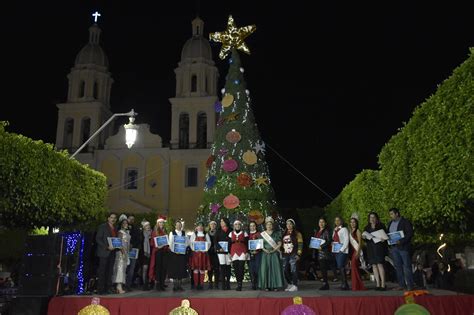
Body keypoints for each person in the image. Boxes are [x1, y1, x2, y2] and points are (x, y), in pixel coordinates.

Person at [387, 208, 414, 291]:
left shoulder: (405, 222)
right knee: (398, 267)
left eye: (392, 214)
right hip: (394, 247)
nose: (390, 216)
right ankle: (402, 285)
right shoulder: (390, 223)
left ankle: (410, 285)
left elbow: (410, 233)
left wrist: (401, 241)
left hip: (403, 247)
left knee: (407, 267)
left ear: (397, 214)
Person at [258, 216, 285, 291]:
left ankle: (275, 285)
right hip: (265, 253)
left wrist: (274, 250)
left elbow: (279, 243)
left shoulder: (276, 233)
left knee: (274, 269)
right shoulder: (262, 234)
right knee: (266, 269)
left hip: (274, 253)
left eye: (270, 224)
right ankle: (267, 286)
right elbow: (260, 245)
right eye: (267, 224)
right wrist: (265, 250)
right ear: (265, 225)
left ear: (272, 225)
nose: (269, 226)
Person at [363, 212, 388, 290]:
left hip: (379, 248)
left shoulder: (381, 226)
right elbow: (366, 239)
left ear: (376, 218)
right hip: (371, 248)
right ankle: (378, 284)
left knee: (380, 265)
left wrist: (384, 239)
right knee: (374, 266)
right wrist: (364, 237)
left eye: (373, 217)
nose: (372, 219)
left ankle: (383, 284)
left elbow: (386, 237)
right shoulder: (366, 227)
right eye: (371, 217)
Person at [95, 212, 118, 295]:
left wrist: (117, 245)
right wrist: (107, 247)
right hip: (104, 252)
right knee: (102, 271)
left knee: (110, 271)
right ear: (108, 218)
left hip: (112, 252)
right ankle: (100, 290)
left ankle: (108, 288)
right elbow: (98, 239)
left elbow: (115, 240)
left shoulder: (115, 228)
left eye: (115, 218)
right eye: (112, 217)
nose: (113, 219)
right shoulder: (102, 227)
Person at [282, 218, 303, 292]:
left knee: (293, 270)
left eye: (290, 224)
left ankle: (295, 285)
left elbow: (300, 244)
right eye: (287, 224)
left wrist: (298, 254)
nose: (289, 225)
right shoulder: (284, 233)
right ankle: (290, 283)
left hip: (293, 253)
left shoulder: (297, 233)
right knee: (285, 269)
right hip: (285, 254)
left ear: (293, 225)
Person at [189, 221, 211, 290]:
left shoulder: (206, 234)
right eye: (199, 226)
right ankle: (196, 284)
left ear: (203, 227)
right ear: (197, 227)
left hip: (203, 254)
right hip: (195, 254)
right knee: (195, 269)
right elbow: (190, 243)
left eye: (201, 226)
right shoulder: (194, 234)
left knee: (202, 269)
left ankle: (201, 284)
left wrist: (205, 249)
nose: (200, 227)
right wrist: (194, 249)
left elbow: (209, 243)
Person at [112, 215, 131, 294]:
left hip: (126, 252)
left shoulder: (127, 232)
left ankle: (119, 287)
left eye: (126, 223)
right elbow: (119, 243)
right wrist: (123, 252)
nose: (126, 224)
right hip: (121, 252)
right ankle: (118, 287)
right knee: (120, 269)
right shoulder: (120, 232)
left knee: (123, 269)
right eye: (124, 223)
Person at [149, 216, 169, 291]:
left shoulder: (165, 231)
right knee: (158, 268)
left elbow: (166, 242)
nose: (161, 224)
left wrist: (166, 245)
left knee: (164, 268)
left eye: (162, 222)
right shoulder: (155, 232)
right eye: (160, 222)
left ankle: (162, 284)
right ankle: (158, 285)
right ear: (157, 223)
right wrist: (158, 246)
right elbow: (152, 243)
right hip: (158, 252)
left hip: (164, 251)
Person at [168, 220, 188, 291]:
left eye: (180, 225)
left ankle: (179, 286)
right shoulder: (171, 233)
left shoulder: (184, 233)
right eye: (177, 225)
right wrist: (175, 251)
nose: (178, 226)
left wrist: (181, 250)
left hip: (181, 254)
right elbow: (170, 243)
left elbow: (186, 243)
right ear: (175, 226)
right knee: (174, 270)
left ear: (181, 226)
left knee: (181, 269)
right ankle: (175, 286)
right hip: (174, 254)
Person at [229, 219, 249, 291]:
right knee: (236, 268)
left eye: (238, 224)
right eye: (236, 224)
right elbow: (229, 244)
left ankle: (240, 284)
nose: (237, 225)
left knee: (241, 268)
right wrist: (229, 253)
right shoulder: (231, 233)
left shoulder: (244, 233)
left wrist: (247, 252)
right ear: (234, 226)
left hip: (242, 251)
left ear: (240, 226)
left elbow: (247, 243)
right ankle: (238, 283)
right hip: (234, 251)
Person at [314, 217, 331, 290]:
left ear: (325, 223)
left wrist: (322, 246)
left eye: (323, 222)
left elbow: (329, 241)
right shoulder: (317, 231)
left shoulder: (326, 231)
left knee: (324, 269)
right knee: (322, 269)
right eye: (320, 222)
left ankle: (325, 284)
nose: (321, 223)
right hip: (318, 253)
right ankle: (325, 283)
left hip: (324, 253)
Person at [332, 216, 350, 290]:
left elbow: (346, 240)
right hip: (336, 250)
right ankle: (343, 283)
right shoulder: (335, 230)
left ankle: (345, 284)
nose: (337, 222)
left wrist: (342, 249)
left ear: (341, 221)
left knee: (341, 266)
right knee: (340, 266)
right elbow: (334, 239)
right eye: (335, 220)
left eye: (338, 220)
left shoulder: (344, 229)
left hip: (342, 250)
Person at [349, 216, 366, 291]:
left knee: (354, 268)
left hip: (357, 251)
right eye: (351, 222)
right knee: (353, 268)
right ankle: (356, 286)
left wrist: (358, 252)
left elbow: (360, 243)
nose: (352, 223)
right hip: (353, 251)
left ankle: (358, 286)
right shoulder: (350, 231)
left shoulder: (358, 231)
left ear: (356, 223)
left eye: (354, 222)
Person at [215, 217, 232, 290]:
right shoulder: (218, 231)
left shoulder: (231, 230)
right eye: (221, 221)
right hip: (221, 252)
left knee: (228, 267)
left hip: (229, 251)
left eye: (223, 221)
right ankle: (223, 285)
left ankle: (228, 284)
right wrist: (219, 248)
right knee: (222, 267)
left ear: (226, 222)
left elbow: (232, 240)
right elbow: (215, 241)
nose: (221, 222)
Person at [126, 215, 141, 290]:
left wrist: (133, 245)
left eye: (133, 219)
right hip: (124, 251)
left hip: (133, 251)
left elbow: (138, 239)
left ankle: (128, 285)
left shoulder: (136, 229)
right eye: (130, 219)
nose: (131, 220)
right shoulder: (123, 228)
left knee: (131, 269)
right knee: (123, 268)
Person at [248, 221, 262, 290]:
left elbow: (261, 244)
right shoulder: (247, 234)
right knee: (251, 270)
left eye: (253, 225)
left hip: (258, 254)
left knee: (257, 269)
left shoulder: (259, 234)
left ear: (256, 226)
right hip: (250, 254)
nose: (252, 227)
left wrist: (256, 251)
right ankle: (253, 284)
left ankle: (258, 283)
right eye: (251, 226)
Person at [140, 220, 152, 290]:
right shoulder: (142, 234)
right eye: (146, 225)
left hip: (151, 254)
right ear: (144, 227)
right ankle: (144, 284)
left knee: (148, 269)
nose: (148, 227)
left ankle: (149, 283)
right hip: (144, 254)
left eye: (149, 225)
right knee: (144, 269)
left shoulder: (151, 234)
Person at [207, 221, 220, 289]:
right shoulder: (207, 233)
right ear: (209, 225)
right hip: (209, 252)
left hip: (216, 252)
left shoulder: (218, 232)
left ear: (215, 225)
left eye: (214, 224)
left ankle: (216, 283)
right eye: (211, 224)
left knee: (216, 268)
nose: (213, 225)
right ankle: (210, 282)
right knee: (210, 268)